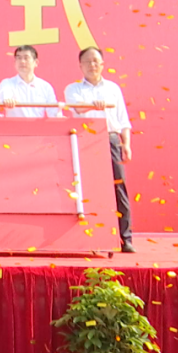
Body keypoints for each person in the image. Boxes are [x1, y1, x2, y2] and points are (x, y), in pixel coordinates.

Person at [64, 47, 135, 253]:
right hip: (84, 140)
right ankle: (92, 238)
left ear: (102, 64)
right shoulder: (73, 89)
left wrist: (126, 144)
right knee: (88, 189)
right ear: (80, 66)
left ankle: (125, 238)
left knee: (118, 187)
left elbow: (123, 120)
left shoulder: (113, 88)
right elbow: (77, 108)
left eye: (95, 61)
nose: (92, 65)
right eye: (87, 61)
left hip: (110, 138)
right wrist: (94, 105)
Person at [0, 45, 63, 118]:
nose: (22, 61)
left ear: (36, 62)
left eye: (26, 58)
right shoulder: (7, 83)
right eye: (19, 58)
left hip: (37, 124)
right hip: (15, 124)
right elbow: (5, 97)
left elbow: (53, 113)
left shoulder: (45, 87)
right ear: (15, 62)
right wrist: (8, 101)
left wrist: (59, 117)